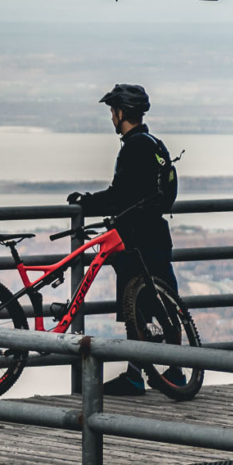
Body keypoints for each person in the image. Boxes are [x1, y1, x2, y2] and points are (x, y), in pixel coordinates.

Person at [69, 82, 179, 396]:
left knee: (137, 311)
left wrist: (86, 202)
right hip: (157, 235)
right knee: (163, 306)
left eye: (112, 112)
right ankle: (175, 371)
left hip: (135, 240)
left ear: (120, 113)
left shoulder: (134, 146)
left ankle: (137, 376)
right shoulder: (155, 143)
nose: (111, 118)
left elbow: (120, 195)